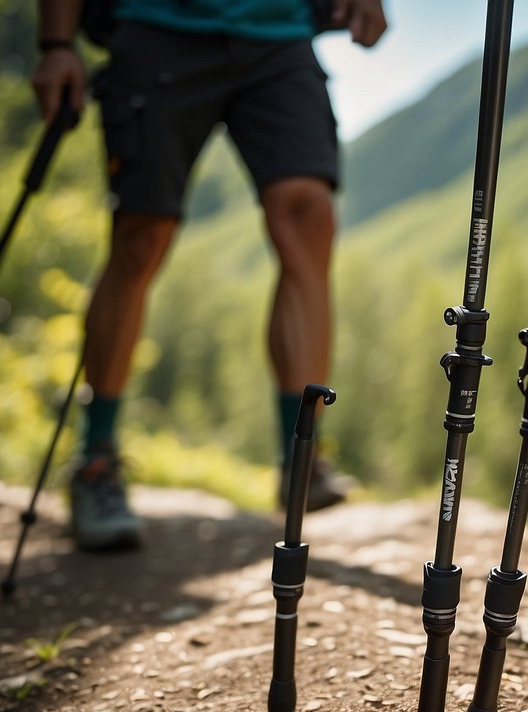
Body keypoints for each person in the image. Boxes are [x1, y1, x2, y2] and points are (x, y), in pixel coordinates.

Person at [30, 0, 388, 550]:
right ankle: (96, 459)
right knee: (140, 236)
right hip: (157, 25)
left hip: (279, 33)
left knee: (308, 214)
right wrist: (56, 43)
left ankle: (302, 454)